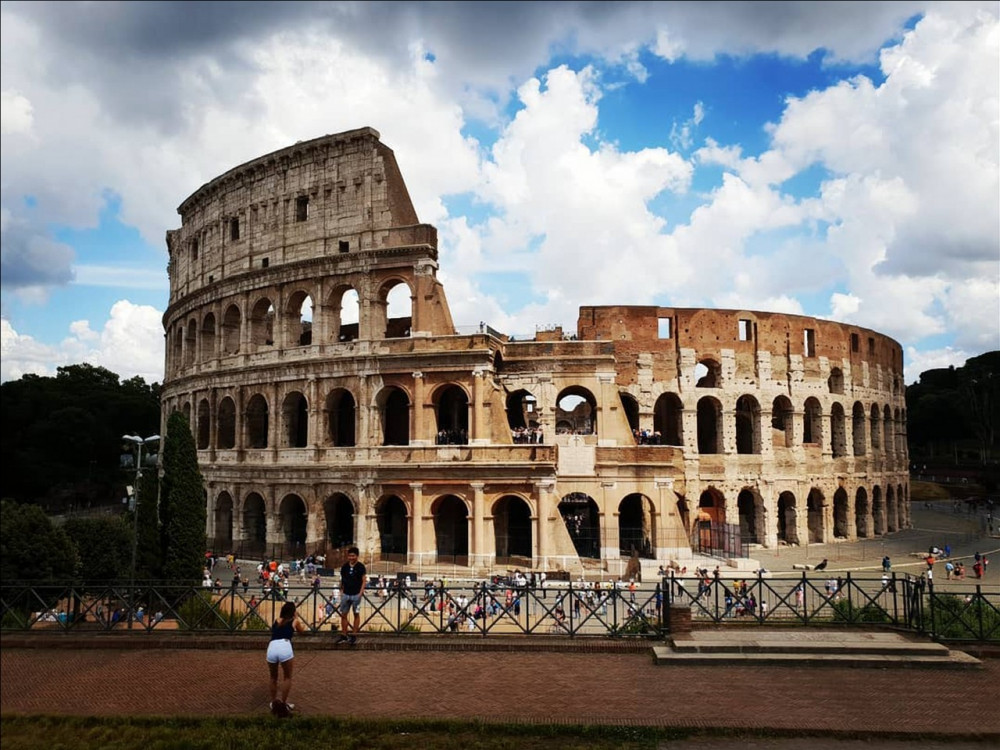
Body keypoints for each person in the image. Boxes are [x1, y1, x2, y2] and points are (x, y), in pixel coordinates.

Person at [266, 601, 306, 717]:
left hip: (272, 647)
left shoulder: (277, 621)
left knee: (273, 677)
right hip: (285, 646)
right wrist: (297, 618)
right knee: (287, 677)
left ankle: (274, 703)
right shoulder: (294, 621)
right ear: (293, 612)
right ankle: (283, 704)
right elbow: (302, 631)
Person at [335, 546, 366, 645]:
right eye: (349, 556)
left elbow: (364, 581)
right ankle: (344, 634)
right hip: (346, 594)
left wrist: (360, 593)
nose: (351, 558)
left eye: (353, 556)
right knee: (344, 614)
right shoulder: (344, 567)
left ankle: (354, 634)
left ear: (357, 556)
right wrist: (341, 592)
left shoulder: (361, 567)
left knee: (356, 614)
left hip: (356, 594)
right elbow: (342, 580)